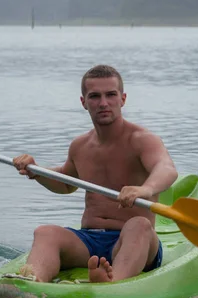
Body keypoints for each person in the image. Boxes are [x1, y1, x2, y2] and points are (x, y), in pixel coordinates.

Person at [13, 65, 178, 283]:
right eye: (94, 96)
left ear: (123, 99)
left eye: (111, 95)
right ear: (83, 102)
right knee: (45, 232)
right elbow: (65, 182)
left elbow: (167, 169)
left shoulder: (142, 139)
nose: (103, 103)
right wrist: (36, 171)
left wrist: (144, 189)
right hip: (89, 241)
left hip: (134, 243)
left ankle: (112, 281)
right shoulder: (80, 146)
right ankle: (32, 283)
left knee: (139, 225)